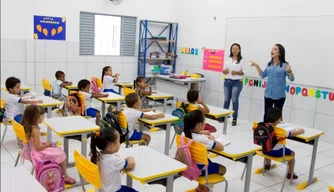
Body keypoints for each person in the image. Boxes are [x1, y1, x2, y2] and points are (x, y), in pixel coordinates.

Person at [22, 105, 76, 184]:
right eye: (42, 116)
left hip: (28, 151)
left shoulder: (26, 126)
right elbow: (38, 148)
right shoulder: (35, 130)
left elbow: (33, 142)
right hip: (36, 154)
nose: (43, 117)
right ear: (36, 117)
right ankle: (65, 176)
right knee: (61, 153)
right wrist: (47, 145)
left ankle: (57, 170)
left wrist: (44, 143)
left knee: (56, 149)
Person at [251, 44, 295, 123]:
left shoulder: (285, 65)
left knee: (277, 118)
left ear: (280, 53)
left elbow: (292, 79)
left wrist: (290, 71)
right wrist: (257, 66)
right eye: (272, 49)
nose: (272, 51)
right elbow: (263, 75)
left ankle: (276, 134)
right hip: (268, 94)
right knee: (266, 115)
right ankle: (266, 133)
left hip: (279, 96)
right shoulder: (269, 64)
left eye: (275, 49)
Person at [261, 107, 304, 179]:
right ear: (278, 120)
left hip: (264, 150)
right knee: (292, 153)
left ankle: (267, 165)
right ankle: (290, 173)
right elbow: (294, 133)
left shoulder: (263, 126)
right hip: (276, 152)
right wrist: (301, 130)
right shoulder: (281, 131)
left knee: (268, 145)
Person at [183, 110, 226, 176]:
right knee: (223, 169)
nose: (205, 123)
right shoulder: (202, 139)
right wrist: (213, 139)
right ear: (199, 125)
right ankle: (206, 184)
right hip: (201, 169)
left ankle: (202, 186)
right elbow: (221, 148)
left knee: (209, 161)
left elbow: (194, 134)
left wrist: (200, 132)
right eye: (204, 121)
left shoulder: (185, 134)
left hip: (190, 165)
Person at [222, 43, 247, 126]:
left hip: (237, 82)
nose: (234, 50)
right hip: (227, 81)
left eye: (236, 49)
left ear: (239, 50)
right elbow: (224, 70)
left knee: (235, 100)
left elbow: (244, 72)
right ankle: (223, 116)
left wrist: (236, 72)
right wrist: (224, 71)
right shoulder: (228, 59)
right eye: (233, 48)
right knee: (226, 99)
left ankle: (234, 118)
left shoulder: (241, 60)